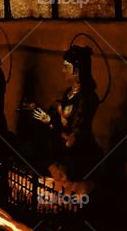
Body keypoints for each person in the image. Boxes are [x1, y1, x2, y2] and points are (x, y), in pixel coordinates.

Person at [29, 45, 102, 182]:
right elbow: (59, 117)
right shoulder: (68, 93)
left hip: (77, 150)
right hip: (61, 141)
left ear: (77, 71)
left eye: (66, 67)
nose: (62, 71)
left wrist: (51, 122)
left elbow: (75, 133)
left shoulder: (87, 97)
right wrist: (49, 118)